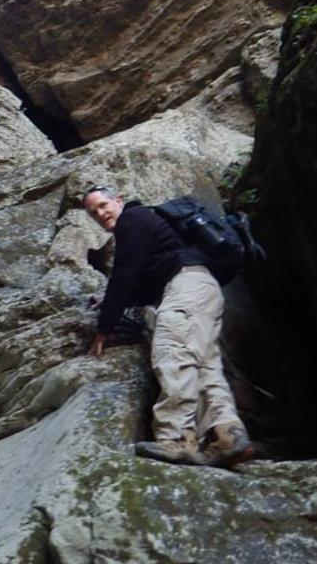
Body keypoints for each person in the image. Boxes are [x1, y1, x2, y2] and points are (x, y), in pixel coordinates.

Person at [83, 185, 254, 468]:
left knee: (172, 351)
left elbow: (124, 275)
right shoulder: (150, 223)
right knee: (205, 367)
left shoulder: (132, 219)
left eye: (103, 205)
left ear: (118, 201)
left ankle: (176, 438)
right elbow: (150, 277)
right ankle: (228, 437)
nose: (100, 214)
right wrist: (116, 300)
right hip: (203, 287)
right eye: (93, 212)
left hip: (185, 287)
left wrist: (104, 329)